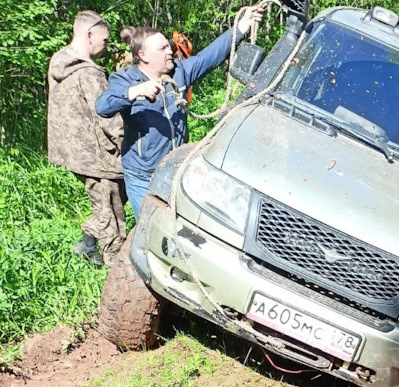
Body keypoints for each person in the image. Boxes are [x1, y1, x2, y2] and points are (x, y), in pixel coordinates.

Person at [95, 3, 267, 219]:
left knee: (176, 223)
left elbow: (210, 56)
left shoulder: (179, 72)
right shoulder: (125, 80)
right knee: (150, 227)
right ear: (143, 55)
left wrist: (242, 26)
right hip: (142, 175)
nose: (170, 51)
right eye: (163, 49)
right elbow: (102, 106)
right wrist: (135, 92)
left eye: (168, 46)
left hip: (175, 168)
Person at [47, 10, 126, 267]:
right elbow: (108, 117)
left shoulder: (58, 61)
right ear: (89, 34)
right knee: (111, 211)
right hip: (99, 155)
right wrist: (125, 145)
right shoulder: (90, 73)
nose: (105, 46)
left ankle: (86, 244)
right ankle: (113, 268)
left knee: (106, 202)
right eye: (103, 40)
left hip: (73, 152)